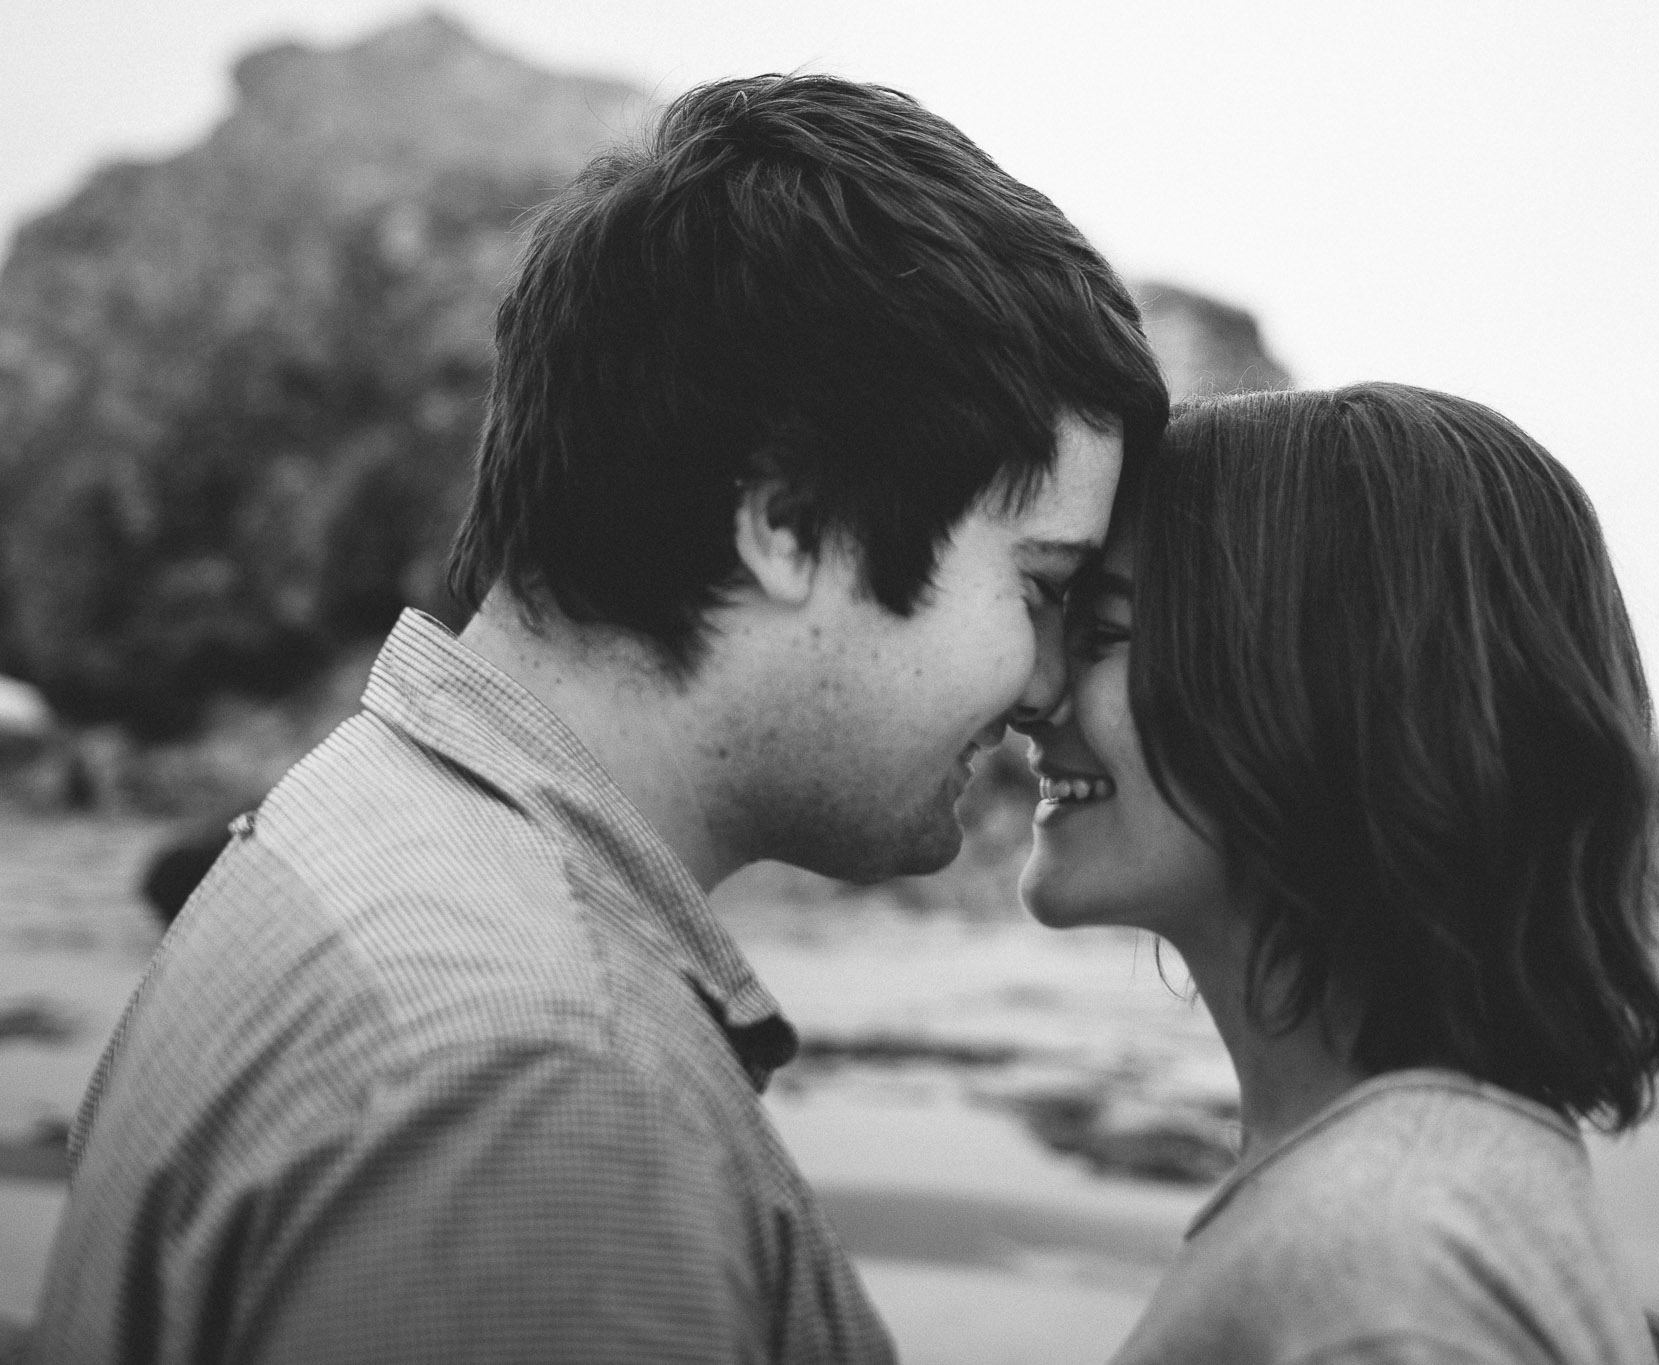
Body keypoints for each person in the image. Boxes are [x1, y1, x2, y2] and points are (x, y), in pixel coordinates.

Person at [32, 74, 1166, 1364]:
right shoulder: (553, 1099)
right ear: (789, 523)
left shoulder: (347, 832)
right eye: (1041, 587)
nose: (1047, 684)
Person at [1020, 383, 1659, 1365]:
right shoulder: (1416, 1185)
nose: (1035, 694)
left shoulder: (1380, 1273)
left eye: (1104, 637)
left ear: (1319, 692)